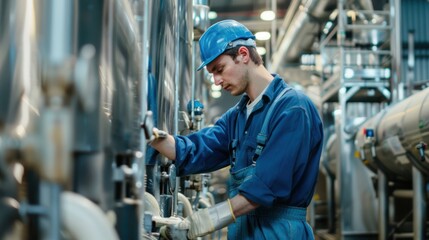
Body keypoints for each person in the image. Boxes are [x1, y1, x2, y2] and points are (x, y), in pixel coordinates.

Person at [150, 19, 324, 239]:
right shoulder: (237, 117)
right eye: (212, 73)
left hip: (279, 232)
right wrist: (152, 135)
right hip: (244, 230)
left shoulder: (292, 109)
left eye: (219, 69)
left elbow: (266, 187)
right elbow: (197, 149)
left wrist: (207, 220)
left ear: (243, 54)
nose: (216, 81)